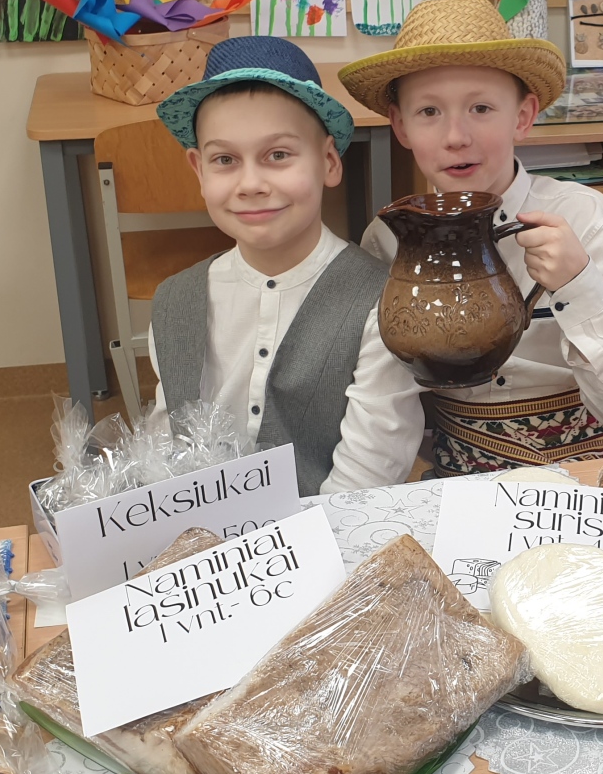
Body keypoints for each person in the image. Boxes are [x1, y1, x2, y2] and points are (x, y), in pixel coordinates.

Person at [338, 0, 603, 477]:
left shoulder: (586, 220)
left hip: (578, 480)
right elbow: (388, 399)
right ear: (400, 126)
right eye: (428, 111)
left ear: (523, 116)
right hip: (456, 478)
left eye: (481, 107)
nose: (455, 136)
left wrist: (580, 286)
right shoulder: (388, 240)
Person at [148, 36, 423, 495]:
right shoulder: (174, 301)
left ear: (329, 162)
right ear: (198, 170)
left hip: (331, 529)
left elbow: (370, 468)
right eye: (224, 160)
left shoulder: (380, 302)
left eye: (278, 155)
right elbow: (165, 443)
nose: (251, 183)